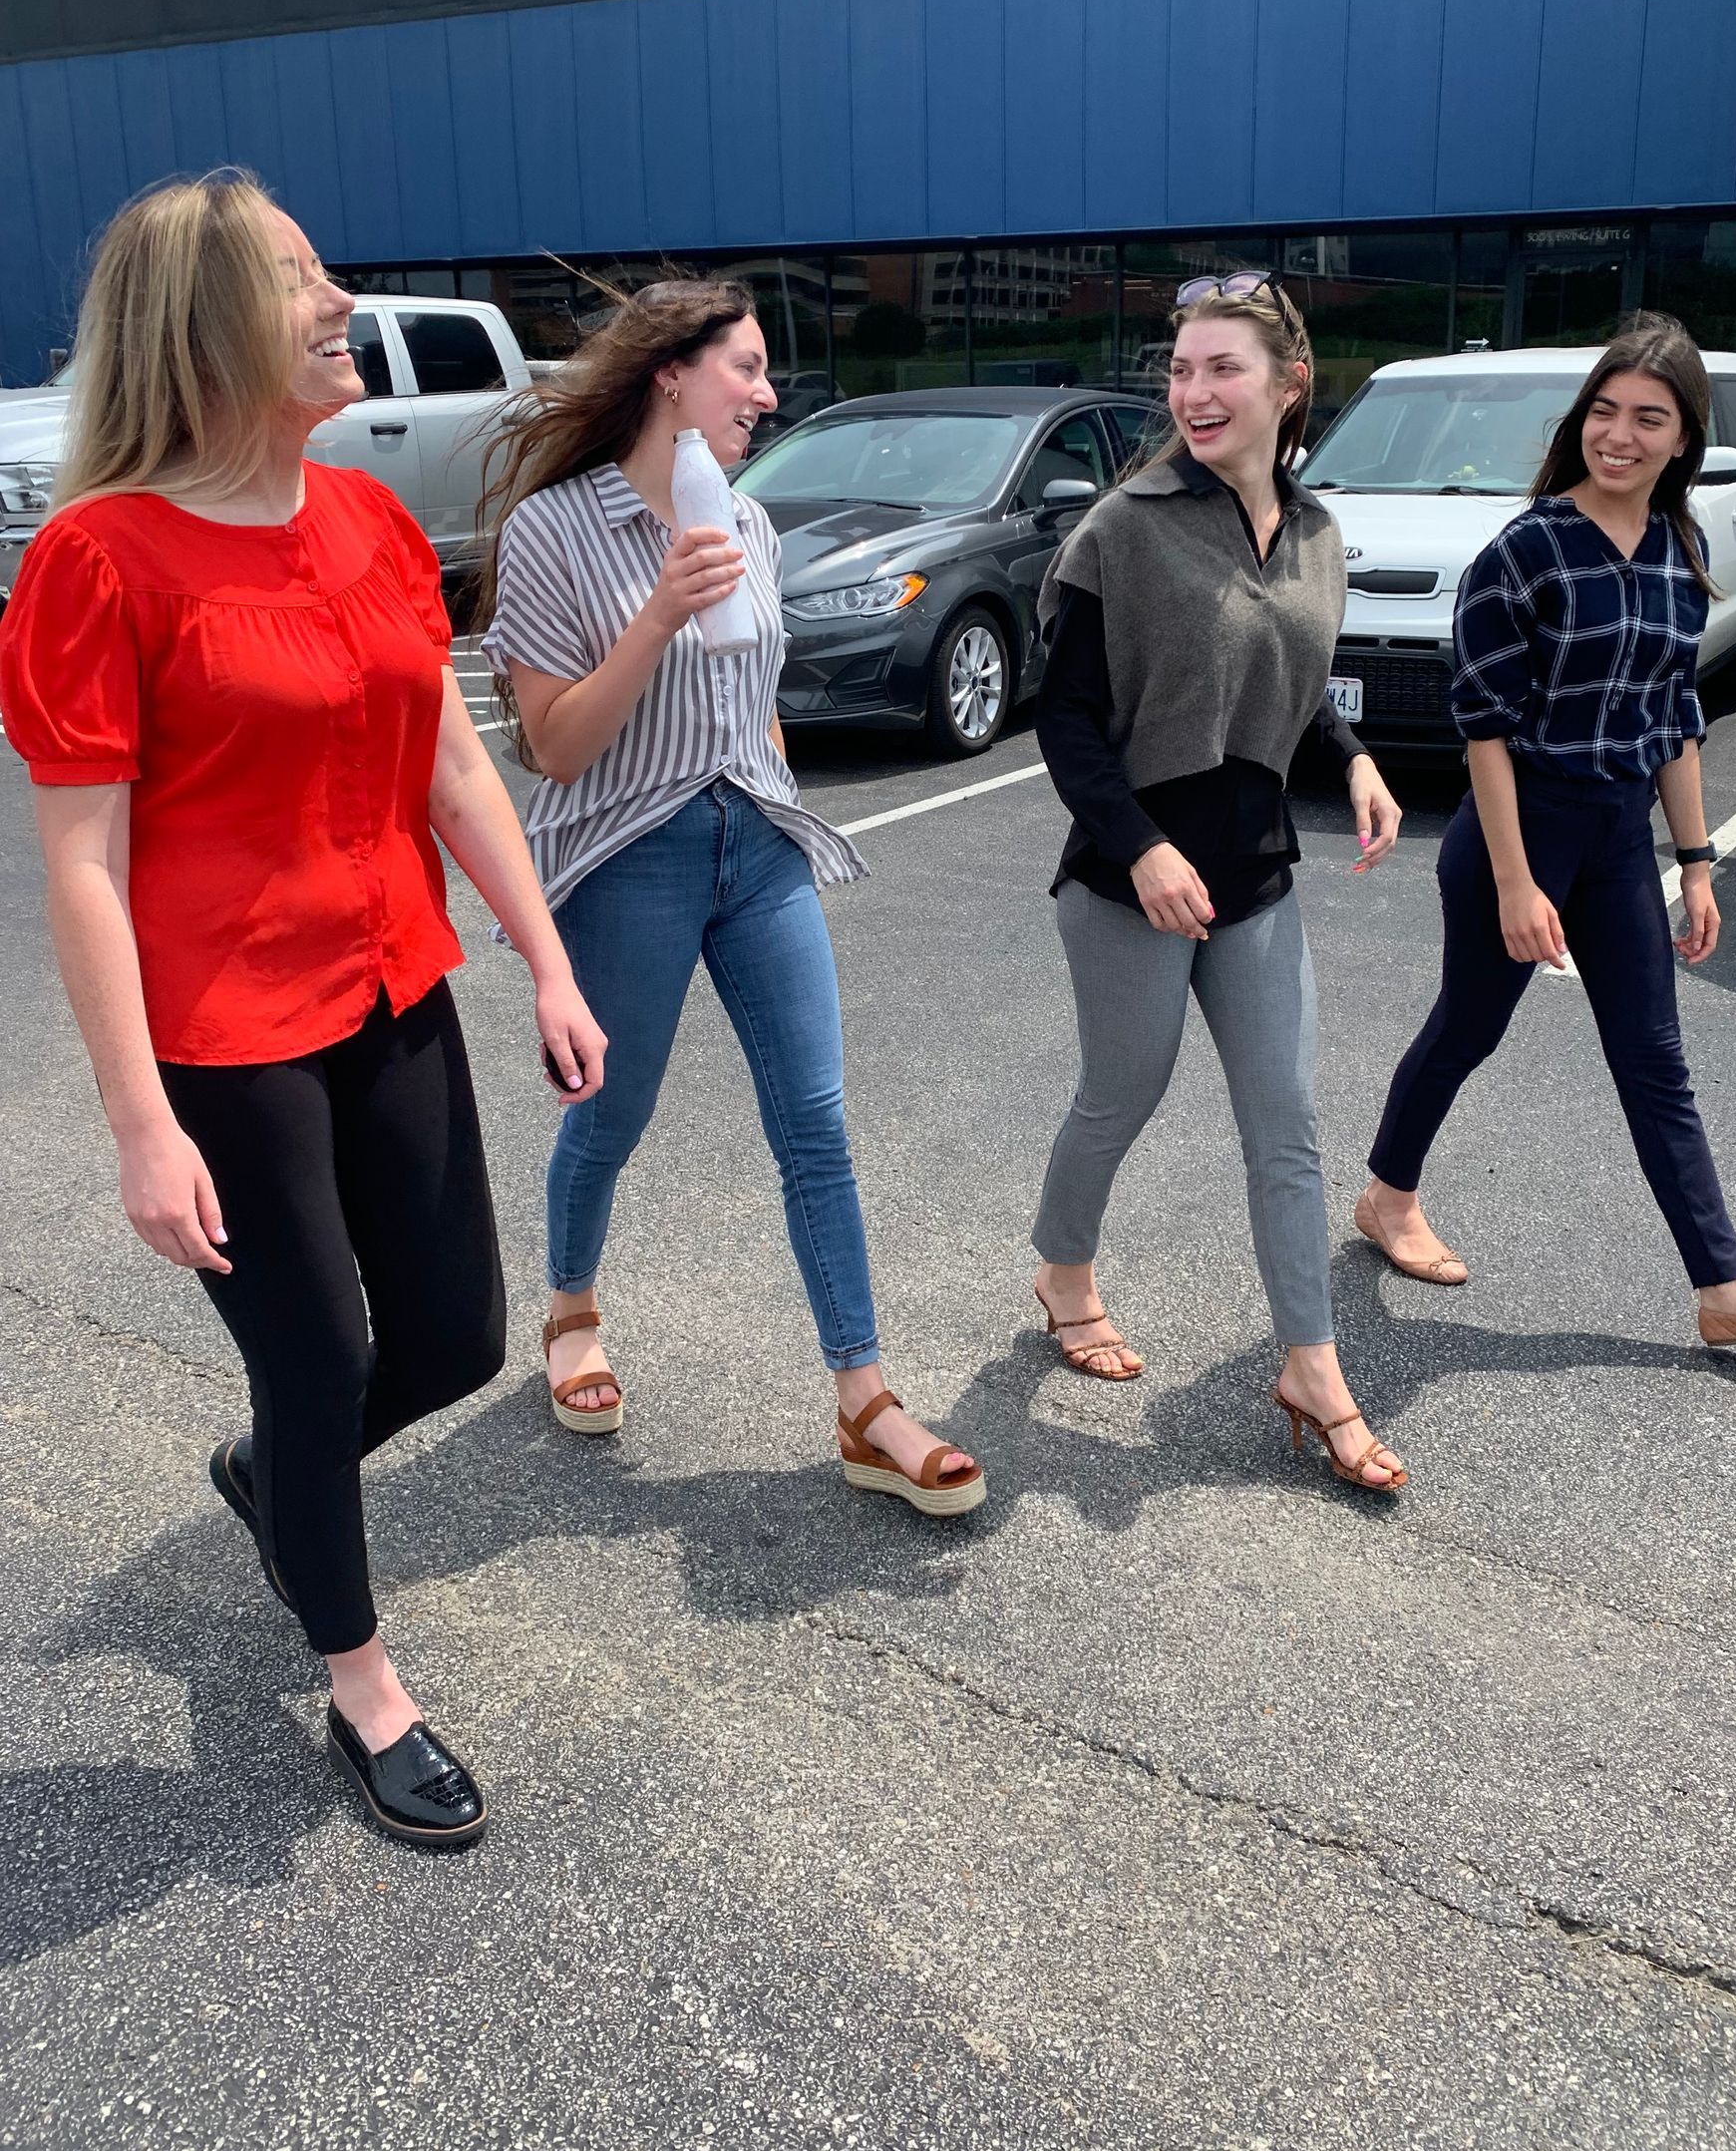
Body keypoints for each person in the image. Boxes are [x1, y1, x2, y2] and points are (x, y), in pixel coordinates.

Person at [0, 172, 607, 1850]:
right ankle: (363, 1680)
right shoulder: (98, 562)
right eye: (298, 279)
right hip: (222, 1037)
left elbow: (456, 764)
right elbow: (84, 868)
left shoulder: (372, 527)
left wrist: (544, 957)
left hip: (386, 982)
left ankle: (282, 1470)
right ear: (203, 330)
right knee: (321, 1355)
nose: (340, 298)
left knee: (456, 1341)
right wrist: (136, 1124)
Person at [478, 277, 984, 1517]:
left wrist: (762, 762)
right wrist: (656, 615)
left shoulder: (749, 525)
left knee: (814, 1117)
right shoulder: (556, 530)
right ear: (670, 375)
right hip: (627, 856)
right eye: (746, 369)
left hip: (754, 843)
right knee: (615, 1113)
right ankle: (571, 1306)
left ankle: (866, 1399)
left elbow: (755, 680)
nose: (766, 395)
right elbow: (553, 748)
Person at [1359, 317, 1736, 1351]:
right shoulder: (1526, 550)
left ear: (1683, 440)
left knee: (1654, 1058)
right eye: (1605, 411)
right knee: (1469, 1027)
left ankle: (1724, 1287)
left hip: (1620, 839)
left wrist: (1700, 860)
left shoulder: (1684, 546)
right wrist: (1511, 881)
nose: (1618, 435)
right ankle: (1387, 1197)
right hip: (1522, 825)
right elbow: (1484, 731)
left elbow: (1675, 715)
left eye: (1648, 419)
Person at [1030, 274, 1411, 1492]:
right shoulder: (1123, 527)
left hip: (1255, 876)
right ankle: (1064, 1268)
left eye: (1222, 369)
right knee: (1121, 1094)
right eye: (1182, 370)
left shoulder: (1315, 533)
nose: (1193, 392)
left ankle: (1313, 1364)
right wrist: (1139, 845)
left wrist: (1352, 764)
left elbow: (1290, 690)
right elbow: (1069, 722)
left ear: (1287, 384)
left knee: (1286, 1126)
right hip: (1128, 874)